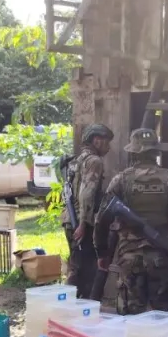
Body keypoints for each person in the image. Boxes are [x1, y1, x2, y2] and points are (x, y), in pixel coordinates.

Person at [94, 128, 168, 315]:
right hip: (162, 256)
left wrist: (102, 252)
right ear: (155, 152)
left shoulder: (121, 179)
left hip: (130, 257)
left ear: (133, 152)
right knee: (164, 316)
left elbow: (101, 219)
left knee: (131, 317)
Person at [63, 123, 113, 299]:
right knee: (85, 273)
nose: (109, 146)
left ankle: (69, 305)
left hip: (70, 220)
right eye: (106, 141)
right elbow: (86, 194)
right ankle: (75, 306)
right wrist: (83, 224)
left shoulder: (76, 161)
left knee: (76, 267)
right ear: (96, 140)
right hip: (82, 222)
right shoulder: (94, 161)